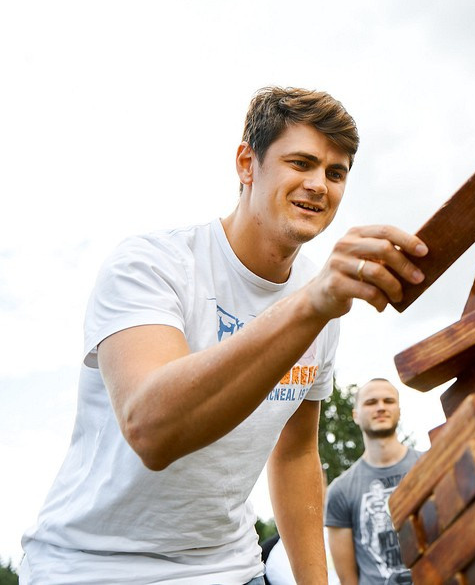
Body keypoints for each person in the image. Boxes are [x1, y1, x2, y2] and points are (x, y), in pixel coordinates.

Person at [20, 87, 428, 584]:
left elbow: (296, 453)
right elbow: (152, 430)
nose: (319, 185)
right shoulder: (152, 266)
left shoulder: (321, 301)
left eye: (336, 173)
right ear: (246, 163)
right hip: (94, 565)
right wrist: (312, 303)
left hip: (228, 565)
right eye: (301, 163)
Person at [325, 378, 419, 585]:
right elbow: (348, 580)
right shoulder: (340, 491)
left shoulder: (429, 464)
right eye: (371, 402)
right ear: (355, 415)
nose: (381, 407)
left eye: (388, 401)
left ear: (399, 411)